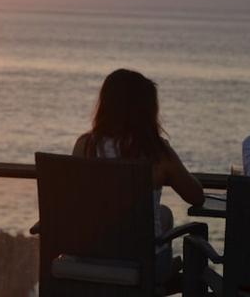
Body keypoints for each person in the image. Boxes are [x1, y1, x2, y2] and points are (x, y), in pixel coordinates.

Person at [72, 68, 204, 283]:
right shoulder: (157, 153)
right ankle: (164, 272)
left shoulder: (85, 146)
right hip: (139, 265)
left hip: (89, 257)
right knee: (164, 218)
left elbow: (76, 199)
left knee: (163, 214)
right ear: (146, 111)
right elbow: (196, 196)